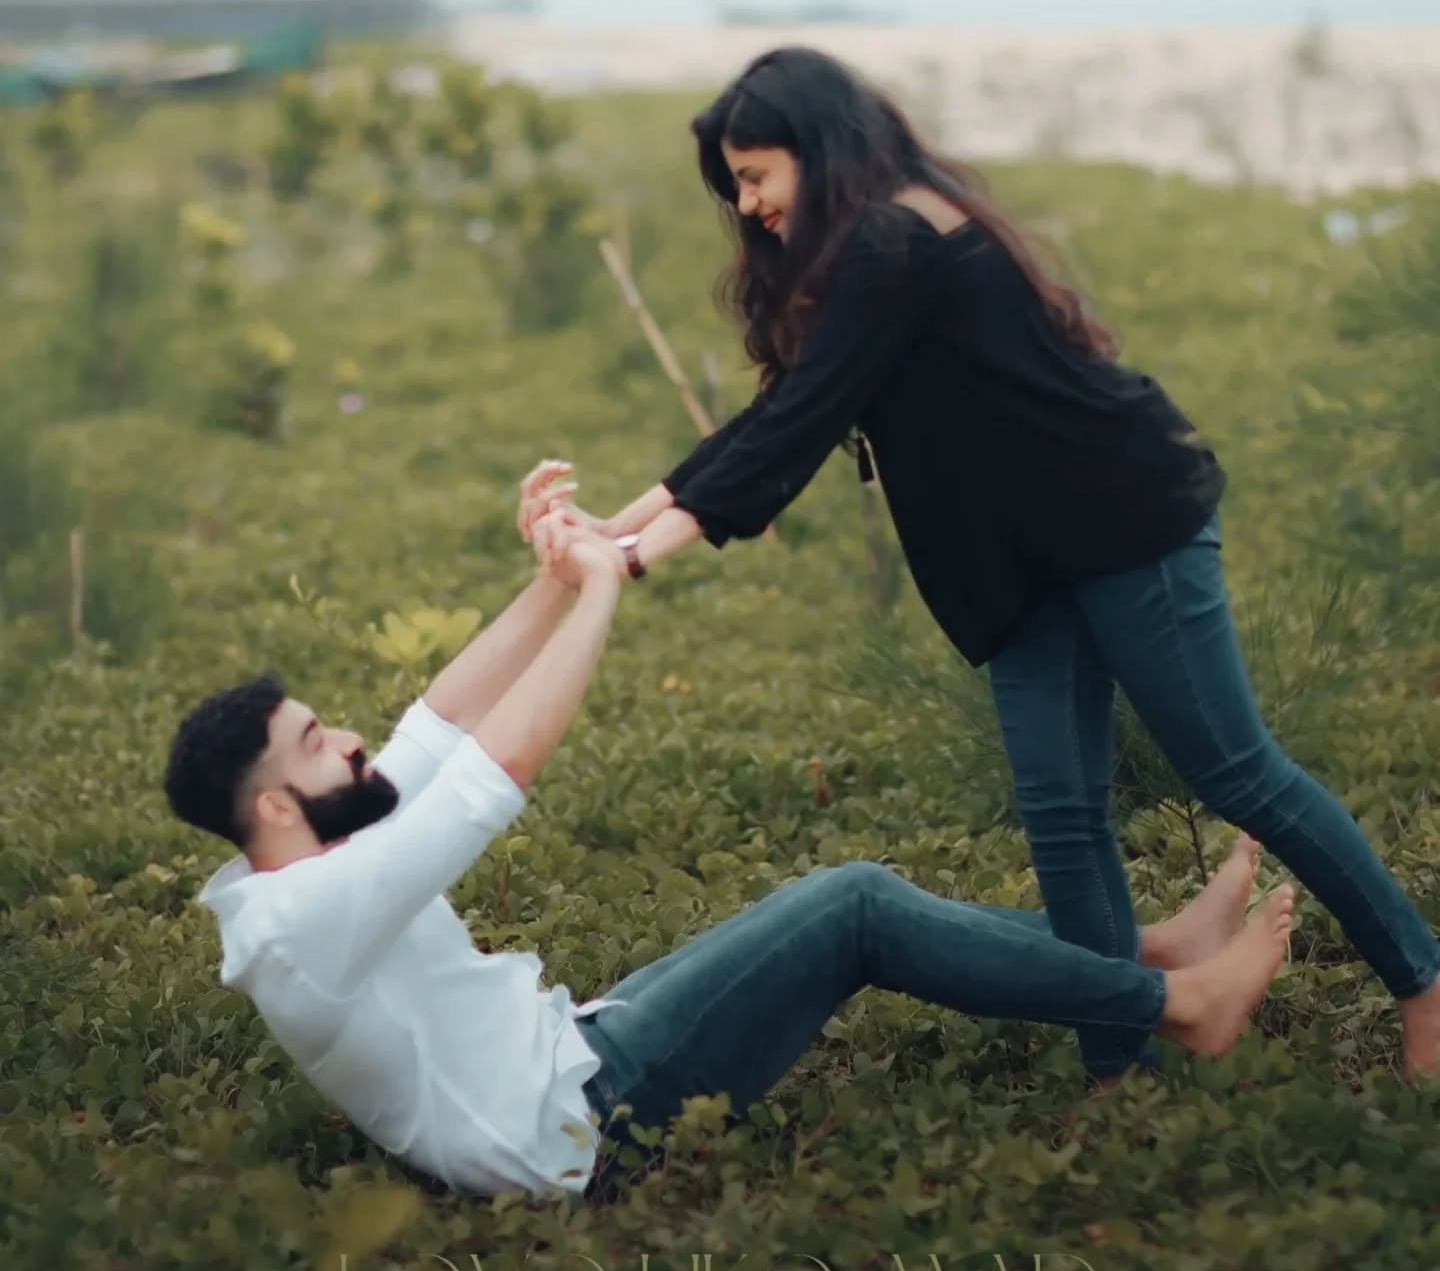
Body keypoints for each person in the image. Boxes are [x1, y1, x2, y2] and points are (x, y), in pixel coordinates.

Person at [517, 45, 1440, 1088]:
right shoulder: (872, 242)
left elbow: (796, 427)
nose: (748, 204)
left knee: (1234, 770)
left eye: (758, 175)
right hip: (1023, 564)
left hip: (1123, 521)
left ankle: (1424, 979)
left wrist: (632, 558)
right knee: (1063, 816)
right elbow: (779, 412)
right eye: (735, 185)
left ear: (818, 150)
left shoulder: (895, 238)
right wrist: (618, 527)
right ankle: (1120, 1067)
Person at [166, 504, 1295, 1205]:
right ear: (273, 805)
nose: (348, 740)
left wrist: (555, 575)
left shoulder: (314, 856)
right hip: (584, 1128)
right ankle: (1175, 1006)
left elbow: (440, 726)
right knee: (852, 904)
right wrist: (597, 599)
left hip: (575, 1051)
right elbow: (492, 771)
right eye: (317, 741)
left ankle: (1145, 952)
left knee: (848, 906)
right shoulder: (303, 927)